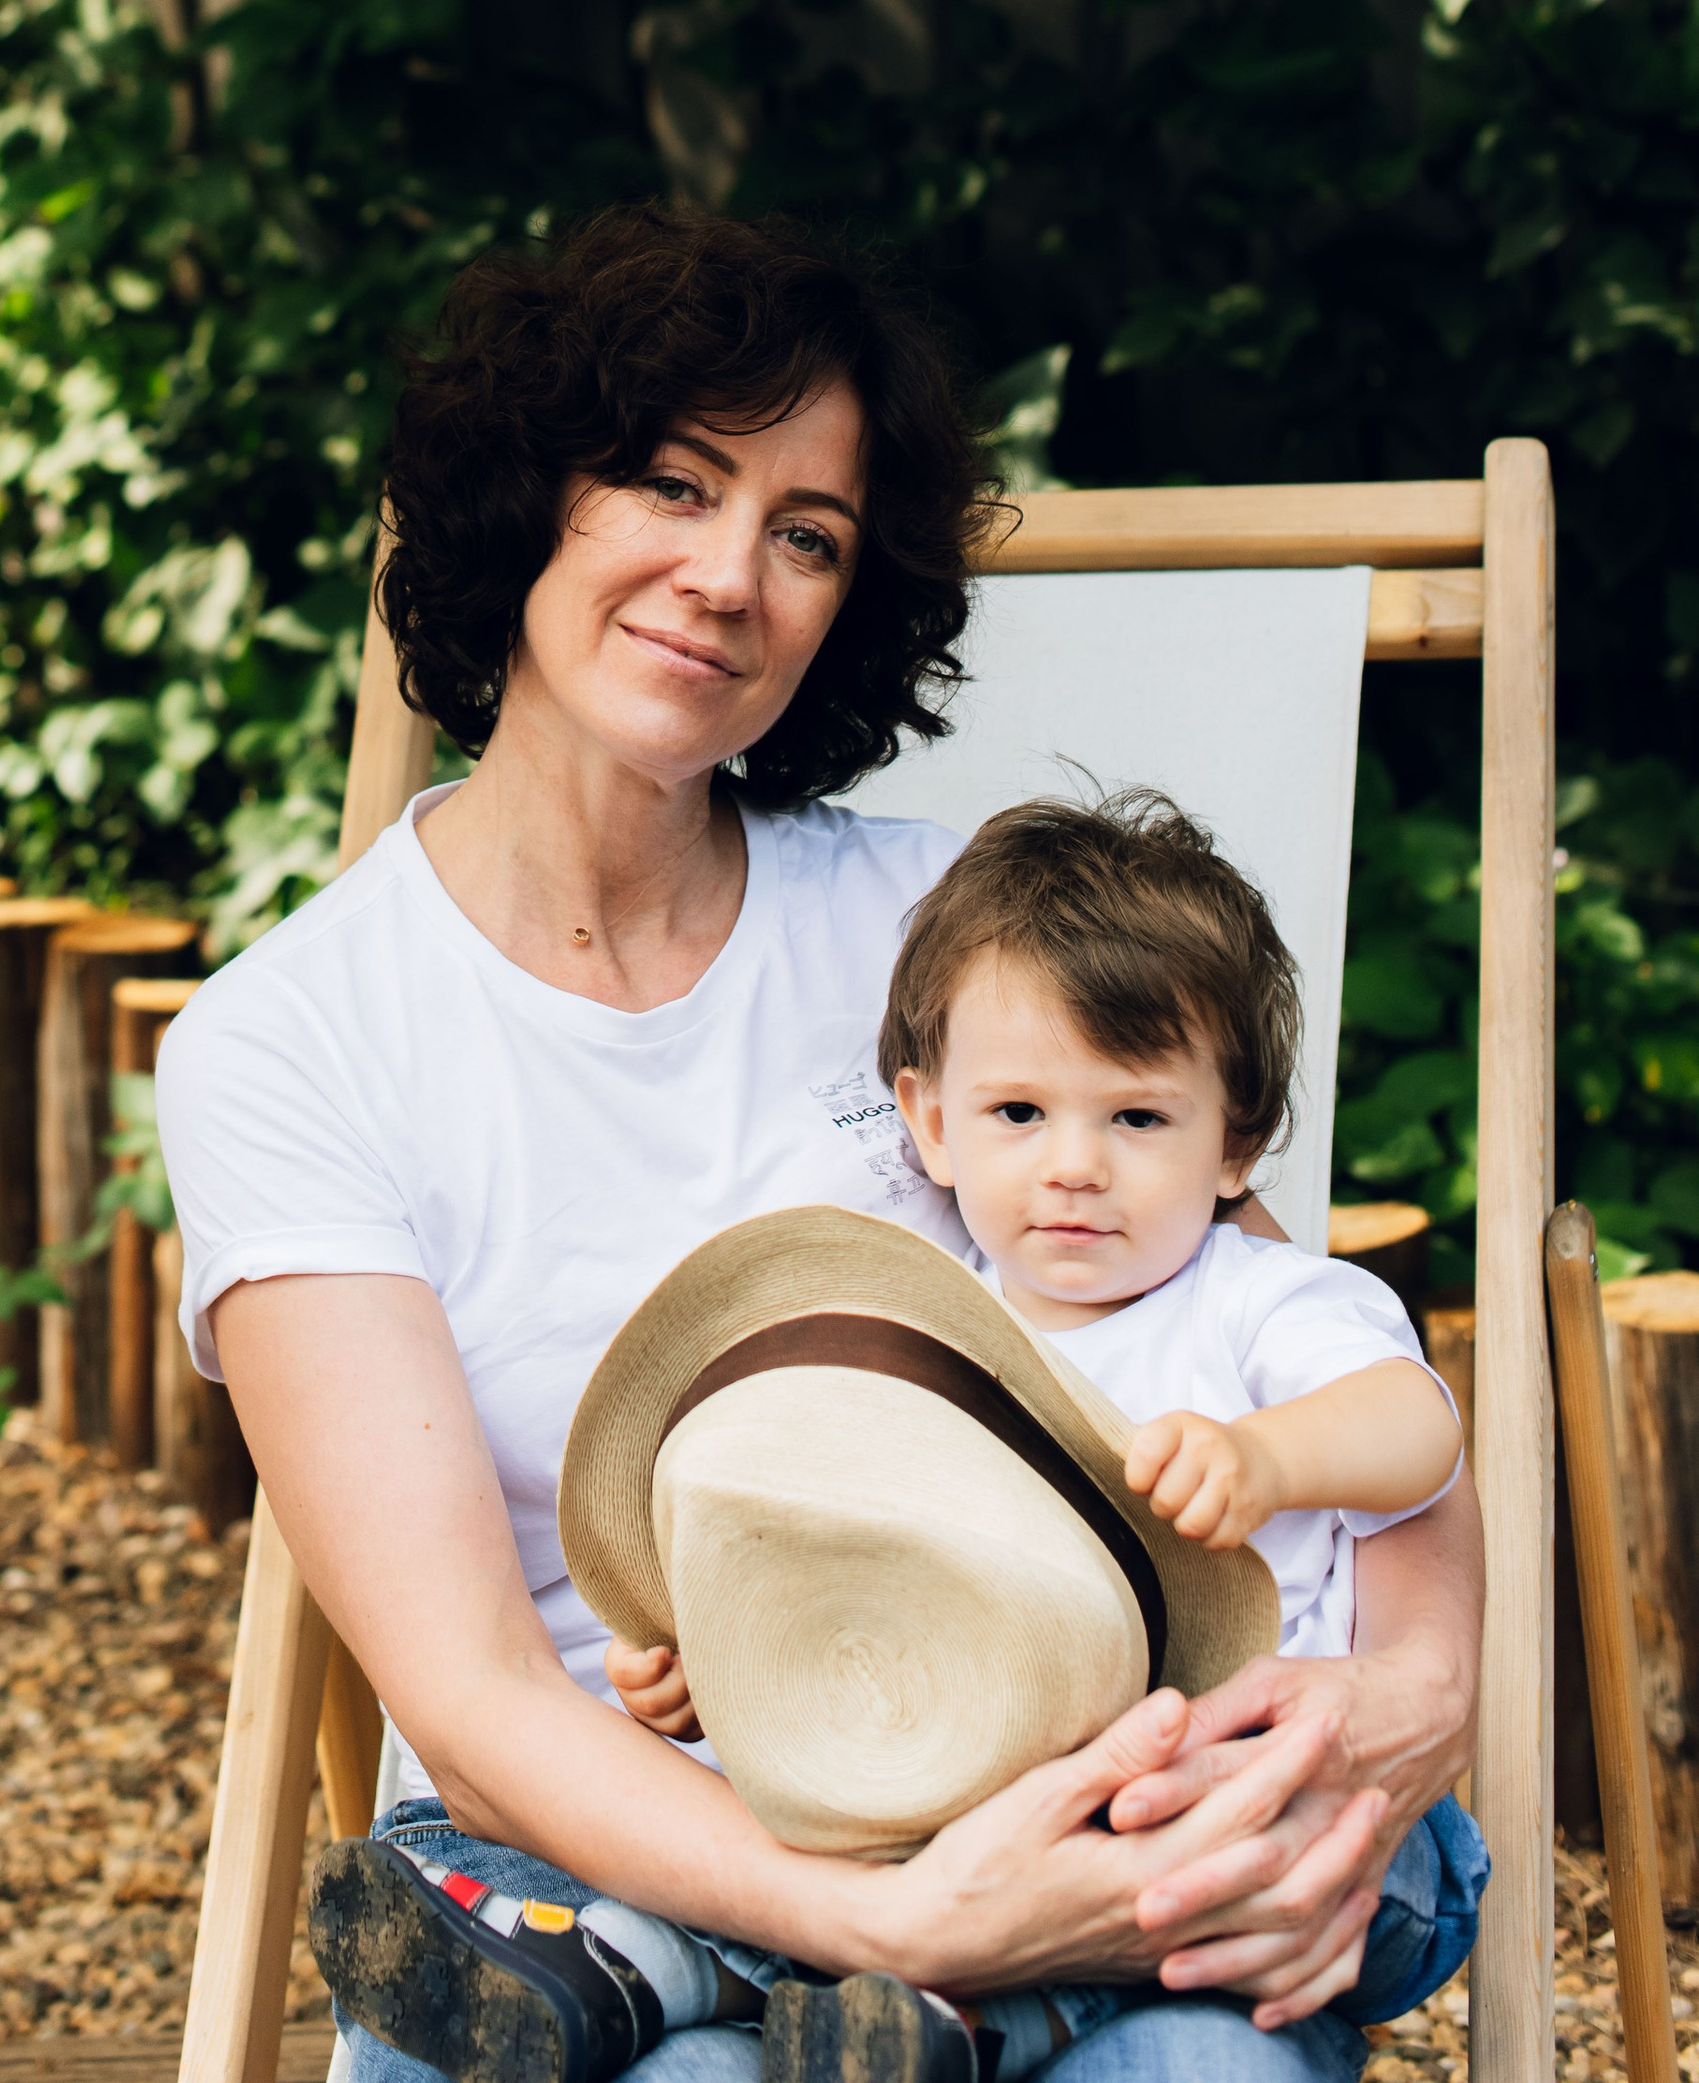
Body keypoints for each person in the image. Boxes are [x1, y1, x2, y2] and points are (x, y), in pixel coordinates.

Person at [153, 206, 1482, 2083]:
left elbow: (1277, 1317)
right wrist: (892, 1929)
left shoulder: (955, 928)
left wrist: (1407, 1704)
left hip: (1044, 1760)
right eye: (672, 484)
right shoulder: (291, 1046)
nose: (729, 574)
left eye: (807, 537)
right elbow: (470, 1696)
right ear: (528, 497)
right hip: (603, 1855)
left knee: (1198, 2072)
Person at [580, 793, 1484, 2083]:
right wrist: (719, 1674)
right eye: (1019, 1116)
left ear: (1237, 1145)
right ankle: (665, 1975)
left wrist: (1271, 1458)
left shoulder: (1253, 1302)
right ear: (931, 1124)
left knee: (1190, 1847)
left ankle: (739, 1983)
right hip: (1009, 1830)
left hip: (1277, 1800)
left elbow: (1419, 1430)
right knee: (864, 1847)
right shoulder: (930, 1345)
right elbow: (880, 1596)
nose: (1074, 1165)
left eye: (1136, 1119)